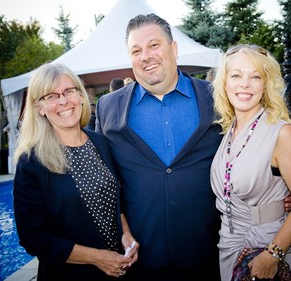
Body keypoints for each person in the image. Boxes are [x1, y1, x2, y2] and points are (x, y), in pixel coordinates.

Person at [95, 13, 223, 281]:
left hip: (208, 248)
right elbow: (102, 178)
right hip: (142, 256)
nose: (146, 56)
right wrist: (120, 228)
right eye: (136, 50)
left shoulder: (217, 97)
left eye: (154, 45)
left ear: (173, 49)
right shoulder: (107, 107)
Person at [12, 62, 138, 280]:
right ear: (40, 107)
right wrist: (97, 257)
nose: (63, 101)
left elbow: (115, 199)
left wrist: (125, 233)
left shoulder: (101, 142)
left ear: (81, 96)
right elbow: (32, 237)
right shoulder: (32, 162)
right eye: (51, 96)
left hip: (119, 269)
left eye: (69, 91)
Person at [209, 44, 291, 280]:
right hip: (229, 246)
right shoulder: (227, 132)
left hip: (271, 248)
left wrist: (272, 254)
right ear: (224, 83)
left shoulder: (281, 133)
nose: (244, 84)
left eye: (255, 76)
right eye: (236, 75)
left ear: (265, 84)